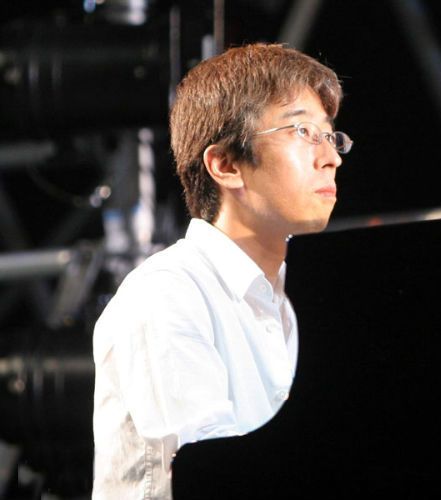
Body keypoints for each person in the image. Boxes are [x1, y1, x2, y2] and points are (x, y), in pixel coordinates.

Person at [92, 42, 353, 499]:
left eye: (330, 136)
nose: (331, 157)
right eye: (303, 131)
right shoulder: (167, 295)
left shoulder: (293, 303)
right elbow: (220, 477)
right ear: (226, 164)